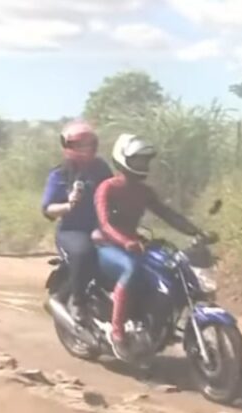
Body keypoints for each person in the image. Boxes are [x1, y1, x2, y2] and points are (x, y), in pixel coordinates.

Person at [93, 133, 206, 362]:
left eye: (145, 161)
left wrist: (196, 231)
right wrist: (125, 241)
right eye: (137, 161)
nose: (142, 166)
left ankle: (156, 322)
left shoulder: (144, 192)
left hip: (133, 243)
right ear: (122, 159)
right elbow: (105, 223)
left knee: (168, 267)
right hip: (107, 245)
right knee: (132, 269)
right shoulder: (107, 188)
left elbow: (168, 215)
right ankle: (117, 331)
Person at [41, 120, 113, 324]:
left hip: (102, 227)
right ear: (68, 147)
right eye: (80, 145)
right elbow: (48, 209)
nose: (86, 149)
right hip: (72, 230)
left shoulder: (101, 168)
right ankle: (77, 302)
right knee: (85, 253)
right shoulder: (59, 174)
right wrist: (68, 205)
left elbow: (113, 191)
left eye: (89, 144)